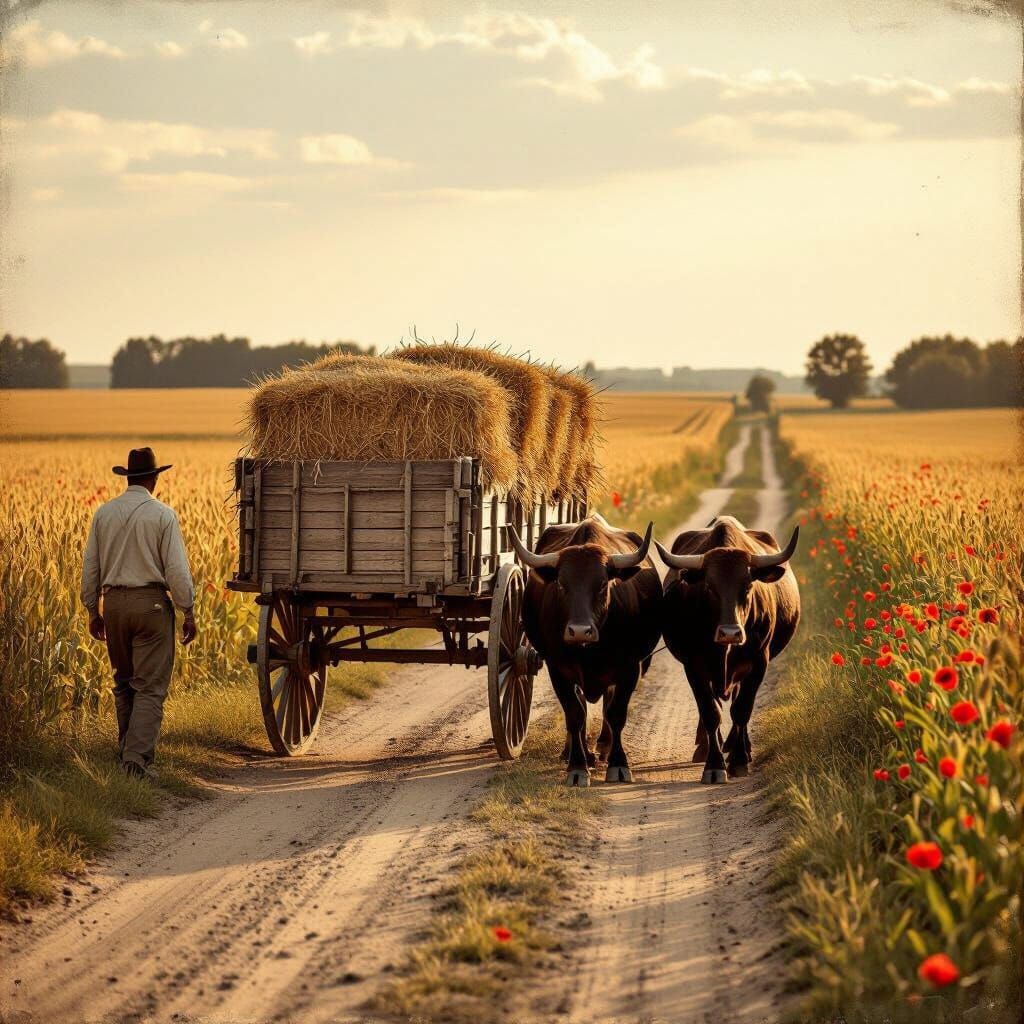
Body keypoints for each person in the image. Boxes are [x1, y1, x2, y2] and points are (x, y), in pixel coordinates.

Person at [80, 447, 197, 778]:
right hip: (151, 605)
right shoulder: (162, 515)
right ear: (155, 478)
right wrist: (187, 610)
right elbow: (176, 571)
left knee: (124, 681)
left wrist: (93, 609)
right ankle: (135, 762)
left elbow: (90, 568)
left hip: (113, 604)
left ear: (128, 477)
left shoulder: (104, 513)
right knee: (149, 686)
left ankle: (126, 752)